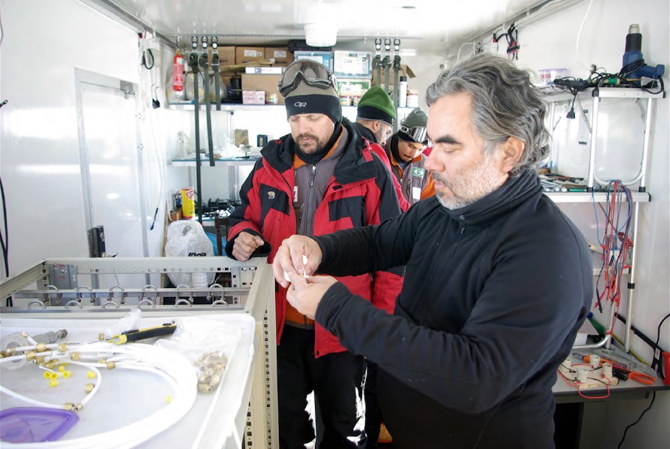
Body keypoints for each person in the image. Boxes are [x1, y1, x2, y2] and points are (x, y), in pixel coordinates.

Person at [272, 54, 593, 449]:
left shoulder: (545, 252)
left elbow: (475, 376)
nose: (430, 159)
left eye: (449, 147)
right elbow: (378, 241)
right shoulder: (446, 208)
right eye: (431, 142)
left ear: (509, 152)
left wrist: (334, 307)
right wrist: (319, 247)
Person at [225, 59, 403, 449]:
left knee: (344, 429)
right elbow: (241, 217)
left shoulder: (371, 168)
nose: (302, 129)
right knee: (283, 426)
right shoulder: (270, 164)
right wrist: (241, 236)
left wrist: (380, 329)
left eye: (314, 119)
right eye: (294, 120)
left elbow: (395, 255)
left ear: (336, 115)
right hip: (281, 326)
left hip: (344, 326)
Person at [354, 86, 410, 212]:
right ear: (376, 125)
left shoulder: (339, 140)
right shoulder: (374, 151)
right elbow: (395, 196)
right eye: (387, 132)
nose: (385, 141)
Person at [383, 107, 436, 206]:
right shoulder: (380, 157)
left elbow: (429, 205)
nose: (413, 154)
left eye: (420, 150)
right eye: (411, 146)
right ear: (400, 138)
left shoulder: (425, 166)